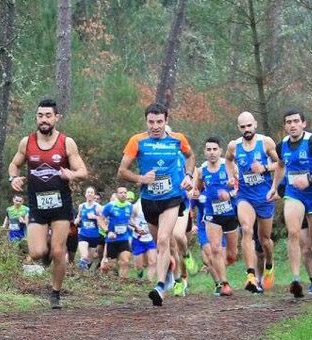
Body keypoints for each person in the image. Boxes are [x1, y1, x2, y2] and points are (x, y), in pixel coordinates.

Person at [8, 98, 88, 309]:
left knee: (59, 251)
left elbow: (83, 171)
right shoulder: (27, 142)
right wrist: (13, 178)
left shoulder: (66, 143)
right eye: (40, 116)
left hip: (60, 204)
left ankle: (55, 293)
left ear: (56, 118)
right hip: (37, 204)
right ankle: (46, 252)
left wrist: (71, 174)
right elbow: (14, 164)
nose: (44, 120)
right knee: (36, 252)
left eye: (48, 116)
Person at [118, 103, 195, 306]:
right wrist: (140, 178)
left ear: (166, 121)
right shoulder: (137, 141)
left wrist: (188, 175)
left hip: (172, 197)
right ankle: (171, 275)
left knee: (163, 239)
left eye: (159, 121)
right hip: (149, 200)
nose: (155, 126)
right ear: (146, 122)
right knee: (162, 244)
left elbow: (190, 157)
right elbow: (122, 171)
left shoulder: (178, 140)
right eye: (151, 122)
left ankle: (160, 287)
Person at [267, 109, 312, 298]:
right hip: (294, 194)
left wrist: (311, 179)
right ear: (285, 126)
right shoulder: (281, 145)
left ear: (303, 123)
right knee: (295, 234)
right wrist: (274, 187)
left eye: (296, 121)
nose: (292, 125)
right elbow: (281, 166)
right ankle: (298, 280)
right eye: (288, 122)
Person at [226, 111, 281, 293]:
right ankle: (250, 275)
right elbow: (227, 160)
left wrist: (264, 167)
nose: (246, 129)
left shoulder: (265, 142)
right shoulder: (234, 146)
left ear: (255, 125)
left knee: (265, 240)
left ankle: (270, 265)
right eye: (243, 127)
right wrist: (231, 177)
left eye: (249, 126)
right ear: (238, 128)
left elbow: (281, 164)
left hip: (264, 197)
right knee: (247, 229)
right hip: (245, 196)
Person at [193, 136, 239, 296]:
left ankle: (225, 267)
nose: (212, 152)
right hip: (212, 215)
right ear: (204, 152)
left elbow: (240, 188)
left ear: (220, 151)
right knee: (215, 249)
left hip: (230, 213)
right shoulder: (201, 170)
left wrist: (230, 193)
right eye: (208, 149)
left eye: (214, 149)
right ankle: (224, 284)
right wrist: (196, 193)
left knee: (232, 255)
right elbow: (197, 189)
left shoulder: (229, 166)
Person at [99, 186, 134, 278]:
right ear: (117, 194)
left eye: (125, 193)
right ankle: (104, 275)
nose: (123, 195)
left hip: (124, 238)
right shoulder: (110, 206)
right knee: (111, 265)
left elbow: (129, 220)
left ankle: (123, 282)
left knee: (125, 261)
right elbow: (100, 220)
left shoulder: (130, 206)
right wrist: (107, 231)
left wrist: (136, 226)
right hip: (112, 239)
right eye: (121, 193)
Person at [129, 192, 157, 281]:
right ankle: (140, 278)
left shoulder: (155, 203)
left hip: (151, 238)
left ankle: (149, 282)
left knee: (152, 262)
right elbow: (129, 220)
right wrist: (135, 227)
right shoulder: (136, 206)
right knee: (139, 266)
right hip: (138, 238)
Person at [75, 186, 103, 270]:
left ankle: (81, 276)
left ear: (94, 195)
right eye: (88, 192)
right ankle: (78, 272)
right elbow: (78, 217)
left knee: (88, 262)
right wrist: (76, 220)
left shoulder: (98, 207)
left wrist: (95, 217)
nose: (90, 194)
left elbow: (103, 220)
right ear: (85, 194)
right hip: (83, 234)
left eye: (92, 192)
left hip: (94, 236)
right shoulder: (81, 206)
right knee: (84, 256)